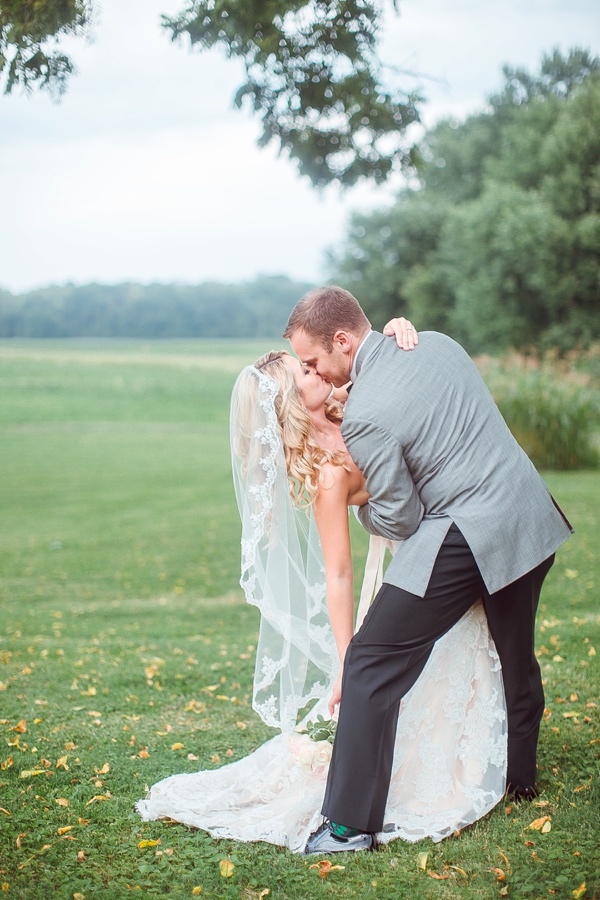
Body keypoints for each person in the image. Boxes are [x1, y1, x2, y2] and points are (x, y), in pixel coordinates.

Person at [137, 321, 509, 852]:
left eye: (310, 363)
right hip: (419, 554)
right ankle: (384, 798)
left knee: (473, 654)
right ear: (291, 395)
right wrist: (345, 658)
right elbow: (338, 571)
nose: (314, 369)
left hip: (456, 527)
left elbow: (367, 349)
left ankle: (478, 756)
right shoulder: (326, 473)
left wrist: (398, 325)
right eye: (302, 370)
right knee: (415, 663)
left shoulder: (354, 399)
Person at [282, 285, 573, 856]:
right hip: (530, 513)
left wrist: (359, 505)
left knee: (369, 659)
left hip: (467, 532)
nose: (317, 371)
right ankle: (519, 780)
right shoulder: (437, 343)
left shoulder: (363, 414)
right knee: (514, 652)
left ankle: (346, 827)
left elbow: (402, 516)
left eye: (316, 361)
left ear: (343, 341)